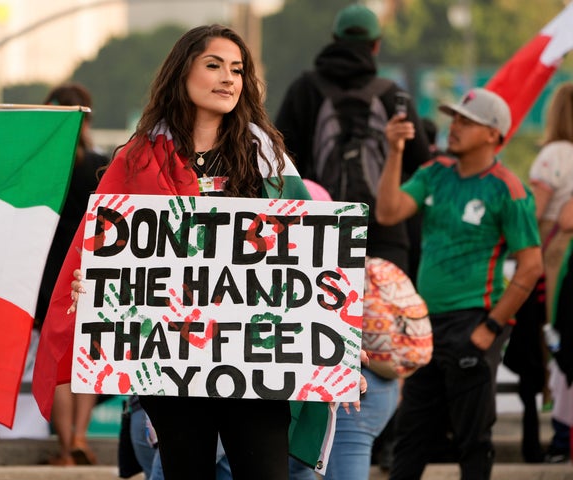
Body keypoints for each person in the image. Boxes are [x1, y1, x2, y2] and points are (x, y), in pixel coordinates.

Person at [38, 24, 366, 480]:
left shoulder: (267, 158)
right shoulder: (136, 159)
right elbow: (101, 254)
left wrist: (339, 336)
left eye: (237, 69)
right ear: (181, 73)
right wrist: (93, 281)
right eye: (213, 65)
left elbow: (309, 256)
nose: (228, 78)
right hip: (172, 356)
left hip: (254, 355)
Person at [275, 5, 430, 479]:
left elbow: (282, 161)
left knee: (316, 335)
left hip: (320, 238)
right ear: (377, 45)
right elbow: (421, 171)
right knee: (382, 341)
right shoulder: (395, 94)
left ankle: (315, 431)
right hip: (385, 241)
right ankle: (372, 437)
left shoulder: (304, 89)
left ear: (333, 39)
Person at [376, 87, 543, 480]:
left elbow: (531, 266)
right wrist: (395, 152)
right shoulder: (433, 173)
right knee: (411, 434)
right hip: (423, 325)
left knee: (473, 438)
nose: (455, 126)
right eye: (455, 118)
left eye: (467, 121)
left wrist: (490, 328)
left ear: (493, 134)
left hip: (473, 323)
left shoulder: (508, 188)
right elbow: (387, 212)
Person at [35, 83, 109, 466]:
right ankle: (81, 435)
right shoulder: (99, 166)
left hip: (48, 276)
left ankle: (65, 448)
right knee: (87, 356)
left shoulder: (40, 167)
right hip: (91, 272)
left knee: (58, 355)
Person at [528, 82, 573, 464]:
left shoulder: (554, 156)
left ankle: (562, 437)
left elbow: (533, 213)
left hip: (557, 256)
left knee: (557, 342)